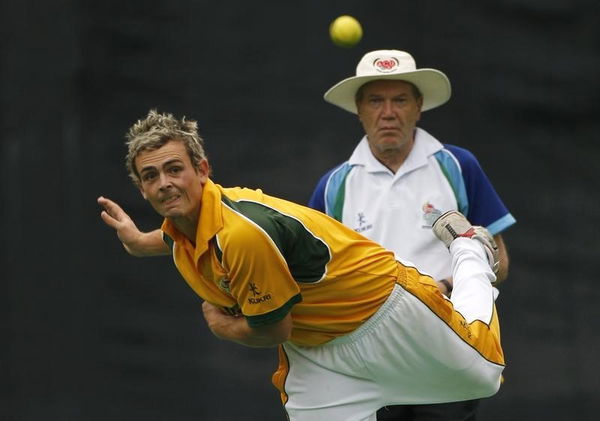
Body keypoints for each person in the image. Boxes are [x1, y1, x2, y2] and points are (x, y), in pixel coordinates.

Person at [98, 109, 505, 421]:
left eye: (175, 169)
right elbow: (173, 235)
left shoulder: (241, 235)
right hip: (318, 354)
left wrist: (224, 328)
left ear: (202, 171)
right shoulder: (190, 223)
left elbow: (274, 328)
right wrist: (137, 241)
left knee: (482, 376)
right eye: (151, 176)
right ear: (142, 188)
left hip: (384, 311)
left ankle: (469, 251)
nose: (165, 182)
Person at [308, 50, 516, 420]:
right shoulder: (333, 187)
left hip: (448, 352)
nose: (388, 112)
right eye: (376, 100)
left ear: (418, 107)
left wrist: (446, 287)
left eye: (400, 100)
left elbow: (499, 262)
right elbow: (317, 279)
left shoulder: (457, 165)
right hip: (369, 362)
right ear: (359, 110)